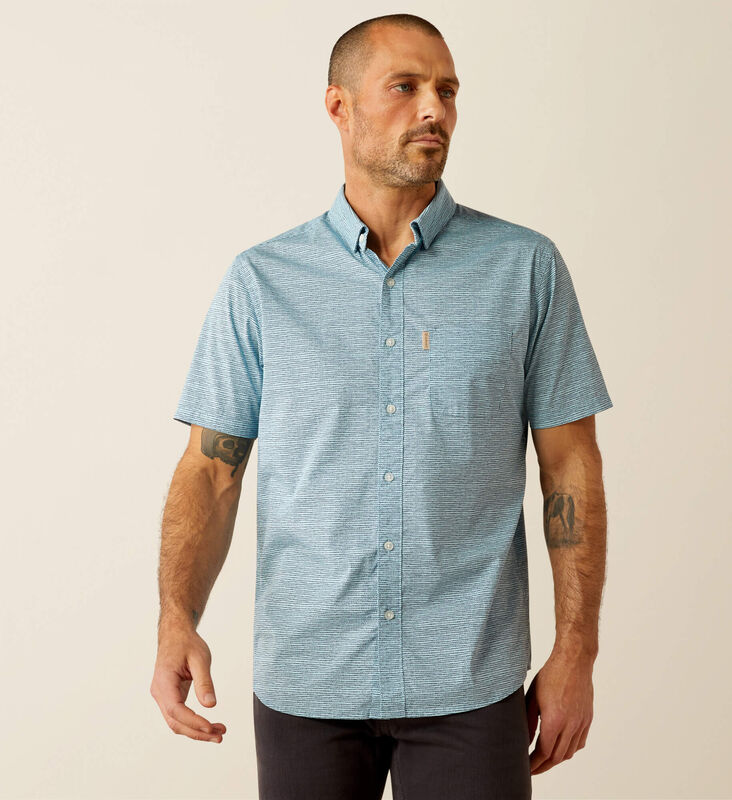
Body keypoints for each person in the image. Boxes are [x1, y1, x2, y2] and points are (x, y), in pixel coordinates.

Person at [150, 13, 613, 800]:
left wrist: (577, 650)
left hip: (471, 682)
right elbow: (210, 470)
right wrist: (175, 617)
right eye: (405, 87)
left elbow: (570, 464)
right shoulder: (262, 282)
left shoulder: (524, 269)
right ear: (338, 106)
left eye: (447, 90)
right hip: (307, 681)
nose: (434, 109)